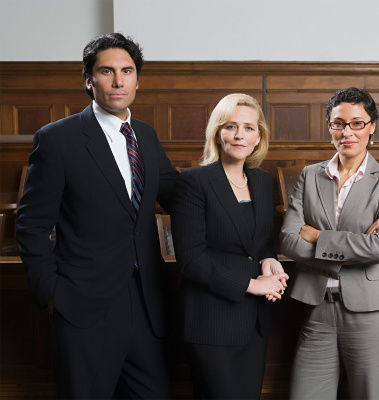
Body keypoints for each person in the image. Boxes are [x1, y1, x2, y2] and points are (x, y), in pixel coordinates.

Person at [16, 33, 179, 398]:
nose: (118, 81)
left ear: (138, 79)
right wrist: (52, 293)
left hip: (146, 303)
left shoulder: (147, 137)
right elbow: (31, 226)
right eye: (107, 71)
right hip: (82, 306)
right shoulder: (58, 139)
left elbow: (179, 197)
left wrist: (236, 179)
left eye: (127, 71)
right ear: (89, 80)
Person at [280, 87, 379, 400]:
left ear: (372, 126)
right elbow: (288, 239)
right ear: (330, 126)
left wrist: (317, 235)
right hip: (317, 309)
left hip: (371, 312)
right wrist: (352, 249)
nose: (347, 132)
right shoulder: (309, 175)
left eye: (357, 123)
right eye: (338, 123)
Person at [171, 93, 288, 399]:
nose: (240, 135)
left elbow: (260, 242)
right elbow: (191, 259)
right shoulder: (194, 182)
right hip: (211, 321)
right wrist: (253, 284)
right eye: (231, 126)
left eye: (249, 128)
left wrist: (269, 260)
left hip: (253, 323)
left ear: (259, 136)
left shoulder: (262, 181)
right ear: (217, 133)